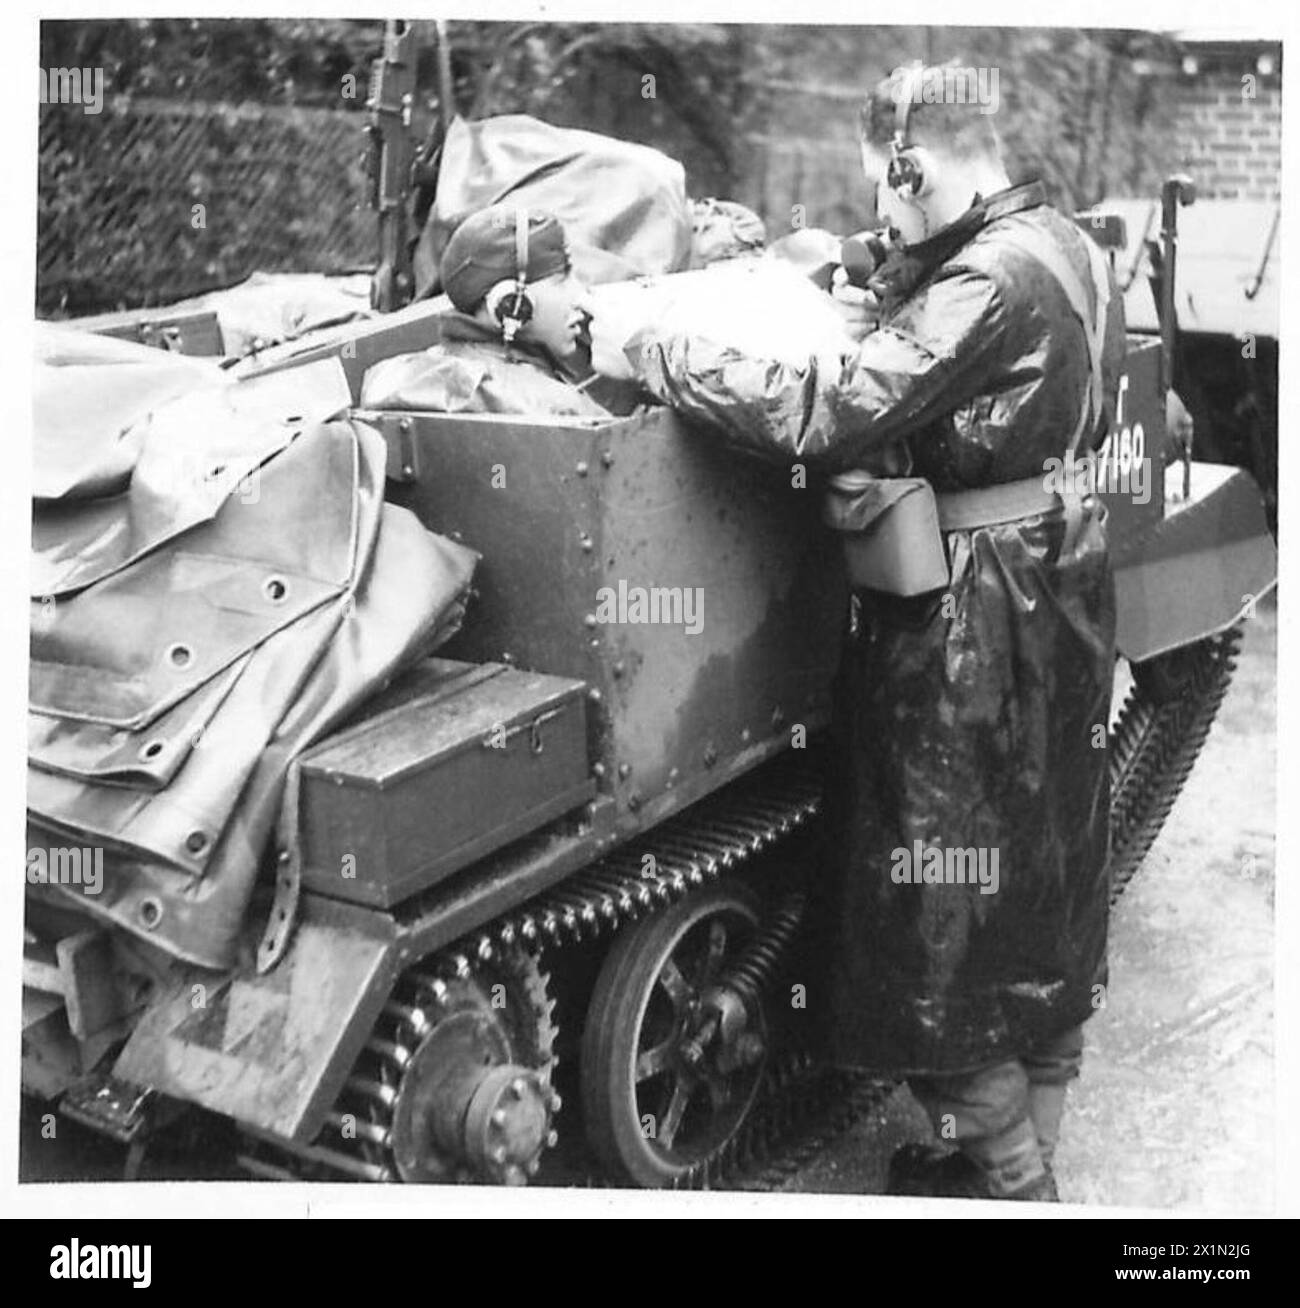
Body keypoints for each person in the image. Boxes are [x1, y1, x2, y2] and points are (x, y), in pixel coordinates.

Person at [589, 60, 1126, 1201]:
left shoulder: (981, 286)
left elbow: (826, 409)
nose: (880, 216)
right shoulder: (1062, 243)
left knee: (946, 918)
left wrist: (638, 345)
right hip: (1059, 587)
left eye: (884, 196)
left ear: (913, 164)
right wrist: (886, 270)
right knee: (1038, 889)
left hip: (975, 616)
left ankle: (1016, 1187)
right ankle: (1022, 1155)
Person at [360, 205, 613, 417]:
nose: (580, 296)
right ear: (513, 303)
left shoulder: (400, 378)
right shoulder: (562, 409)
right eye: (562, 279)